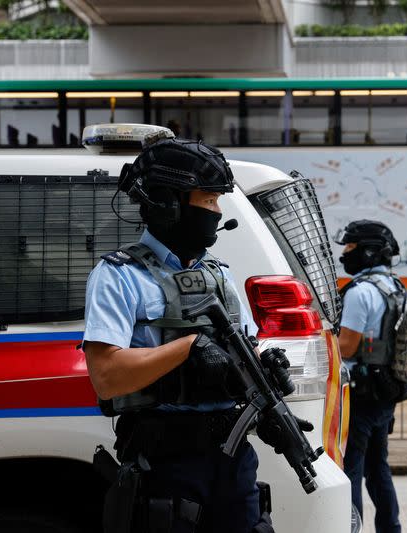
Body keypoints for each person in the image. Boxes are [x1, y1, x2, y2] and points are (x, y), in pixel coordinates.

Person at [83, 137, 273, 533]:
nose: (217, 212)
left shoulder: (220, 276)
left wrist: (264, 367)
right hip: (165, 461)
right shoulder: (118, 276)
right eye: (208, 201)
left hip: (232, 457)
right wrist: (188, 347)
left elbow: (243, 350)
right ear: (168, 203)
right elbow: (106, 376)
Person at [335, 220, 405, 533]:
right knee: (378, 469)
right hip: (386, 390)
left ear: (368, 252)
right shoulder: (396, 287)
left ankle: (352, 529)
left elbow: (347, 346)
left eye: (349, 248)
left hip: (360, 394)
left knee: (351, 470)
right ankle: (391, 528)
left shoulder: (360, 292)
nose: (344, 255)